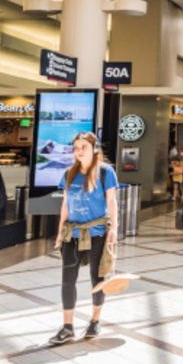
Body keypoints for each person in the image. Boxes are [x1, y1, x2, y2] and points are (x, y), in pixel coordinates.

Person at [49, 132, 118, 345]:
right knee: (67, 281)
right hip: (73, 234)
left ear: (94, 149)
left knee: (97, 279)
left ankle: (95, 321)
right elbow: (65, 205)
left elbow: (112, 201)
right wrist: (60, 231)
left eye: (83, 147)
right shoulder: (69, 173)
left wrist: (114, 228)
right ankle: (67, 327)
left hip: (97, 233)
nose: (79, 151)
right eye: (76, 147)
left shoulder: (106, 173)